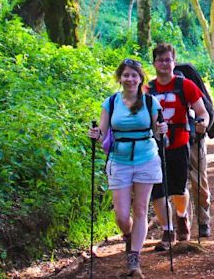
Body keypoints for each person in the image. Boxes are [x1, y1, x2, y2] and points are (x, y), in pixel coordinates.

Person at [88, 58, 167, 278]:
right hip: (119, 160)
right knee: (122, 215)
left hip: (146, 158)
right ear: (120, 78)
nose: (130, 79)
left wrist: (162, 128)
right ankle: (129, 235)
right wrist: (95, 135)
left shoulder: (151, 102)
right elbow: (103, 133)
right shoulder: (111, 103)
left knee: (140, 209)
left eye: (134, 75)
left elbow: (158, 132)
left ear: (141, 78)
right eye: (126, 75)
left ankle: (134, 259)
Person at [147, 43, 210, 248]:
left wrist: (202, 124)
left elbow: (202, 111)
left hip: (180, 143)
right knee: (158, 190)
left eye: (168, 59)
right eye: (160, 60)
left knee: (179, 188)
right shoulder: (148, 89)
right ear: (154, 63)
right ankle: (168, 231)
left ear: (174, 62)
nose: (164, 64)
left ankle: (182, 216)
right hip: (154, 146)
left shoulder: (185, 85)